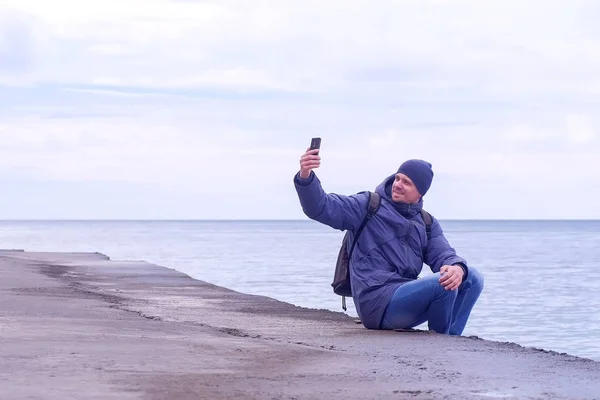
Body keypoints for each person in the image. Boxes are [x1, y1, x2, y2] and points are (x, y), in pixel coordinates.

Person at [293, 146, 484, 335]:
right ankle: (441, 342)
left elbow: (443, 254)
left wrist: (457, 267)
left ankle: (451, 337)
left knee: (472, 277)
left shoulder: (426, 222)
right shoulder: (367, 205)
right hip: (375, 302)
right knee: (443, 283)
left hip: (405, 297)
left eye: (407, 182)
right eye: (397, 178)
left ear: (420, 194)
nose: (398, 184)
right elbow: (321, 207)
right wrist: (305, 176)